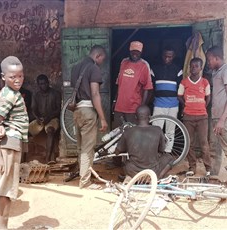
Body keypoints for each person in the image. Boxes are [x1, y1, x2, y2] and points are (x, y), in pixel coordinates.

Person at [0, 56, 29, 229]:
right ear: (3, 77)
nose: (17, 80)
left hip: (11, 143)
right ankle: (3, 227)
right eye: (12, 77)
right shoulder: (9, 95)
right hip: (8, 145)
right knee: (6, 190)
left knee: (4, 188)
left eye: (20, 76)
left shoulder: (10, 93)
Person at [70, 45, 108, 189]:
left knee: (80, 147)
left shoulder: (75, 68)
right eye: (102, 60)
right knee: (87, 148)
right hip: (87, 111)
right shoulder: (94, 68)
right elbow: (95, 94)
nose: (101, 63)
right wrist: (102, 117)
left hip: (77, 111)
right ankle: (85, 182)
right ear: (98, 56)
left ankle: (83, 174)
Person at [115, 105, 174, 182]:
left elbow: (118, 151)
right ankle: (157, 178)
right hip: (153, 170)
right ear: (150, 117)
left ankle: (130, 177)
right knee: (169, 158)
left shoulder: (128, 131)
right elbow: (162, 149)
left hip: (132, 170)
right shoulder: (157, 130)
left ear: (135, 117)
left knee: (124, 159)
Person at [178, 58, 211, 176]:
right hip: (188, 116)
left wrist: (202, 106)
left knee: (204, 143)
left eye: (196, 66)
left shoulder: (205, 82)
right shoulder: (184, 82)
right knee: (189, 142)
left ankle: (208, 168)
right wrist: (186, 104)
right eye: (192, 66)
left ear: (201, 68)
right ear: (189, 68)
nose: (194, 68)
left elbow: (208, 97)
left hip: (202, 116)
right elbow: (179, 96)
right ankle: (192, 167)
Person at [113, 41, 153, 127]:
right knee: (117, 132)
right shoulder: (124, 62)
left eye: (138, 52)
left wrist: (142, 107)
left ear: (141, 52)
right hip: (119, 106)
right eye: (133, 51)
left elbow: (147, 88)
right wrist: (115, 100)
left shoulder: (144, 65)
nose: (135, 54)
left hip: (134, 108)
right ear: (129, 51)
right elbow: (119, 84)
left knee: (133, 134)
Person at [151, 46, 183, 153]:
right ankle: (155, 152)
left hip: (173, 105)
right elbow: (151, 87)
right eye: (165, 56)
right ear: (162, 55)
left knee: (170, 131)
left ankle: (168, 153)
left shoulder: (178, 69)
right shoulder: (155, 68)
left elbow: (181, 88)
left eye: (170, 56)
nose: (167, 58)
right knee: (156, 130)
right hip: (158, 104)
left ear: (173, 56)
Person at [29, 74, 61, 163]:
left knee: (50, 130)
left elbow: (59, 109)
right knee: (25, 131)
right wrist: (38, 118)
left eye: (45, 83)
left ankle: (48, 159)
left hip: (52, 119)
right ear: (38, 85)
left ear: (48, 83)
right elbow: (33, 109)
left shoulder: (55, 93)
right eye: (41, 84)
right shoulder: (36, 94)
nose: (43, 86)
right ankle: (23, 158)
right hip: (40, 120)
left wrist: (49, 117)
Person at [206, 46, 227, 176]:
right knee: (216, 146)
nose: (208, 63)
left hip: (222, 117)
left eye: (209, 60)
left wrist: (222, 120)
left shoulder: (225, 71)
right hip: (216, 116)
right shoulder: (216, 72)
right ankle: (214, 175)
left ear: (216, 58)